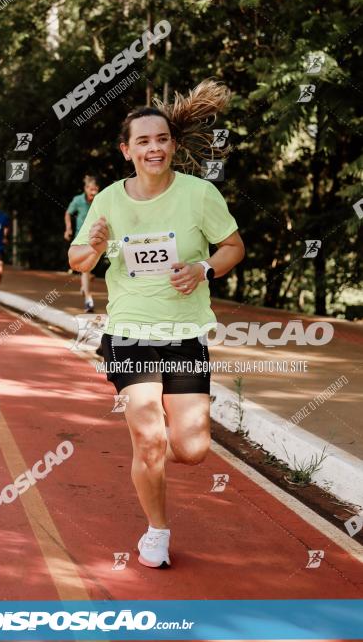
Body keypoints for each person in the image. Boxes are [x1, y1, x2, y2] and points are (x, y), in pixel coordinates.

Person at [68, 79, 245, 569]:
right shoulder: (107, 200)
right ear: (127, 151)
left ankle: (161, 444)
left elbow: (233, 247)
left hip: (184, 334)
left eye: (161, 139)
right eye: (142, 141)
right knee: (149, 437)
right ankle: (157, 531)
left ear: (172, 145)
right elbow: (78, 260)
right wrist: (96, 246)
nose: (153, 148)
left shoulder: (199, 194)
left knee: (190, 450)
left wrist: (203, 268)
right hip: (129, 333)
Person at [65, 175, 100, 312]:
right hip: (82, 239)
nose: (93, 192)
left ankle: (84, 286)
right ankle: (88, 300)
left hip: (99, 239)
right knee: (85, 269)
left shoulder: (100, 200)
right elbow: (68, 213)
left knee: (89, 272)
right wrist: (68, 228)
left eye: (96, 189)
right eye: (91, 189)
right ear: (86, 189)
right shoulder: (78, 200)